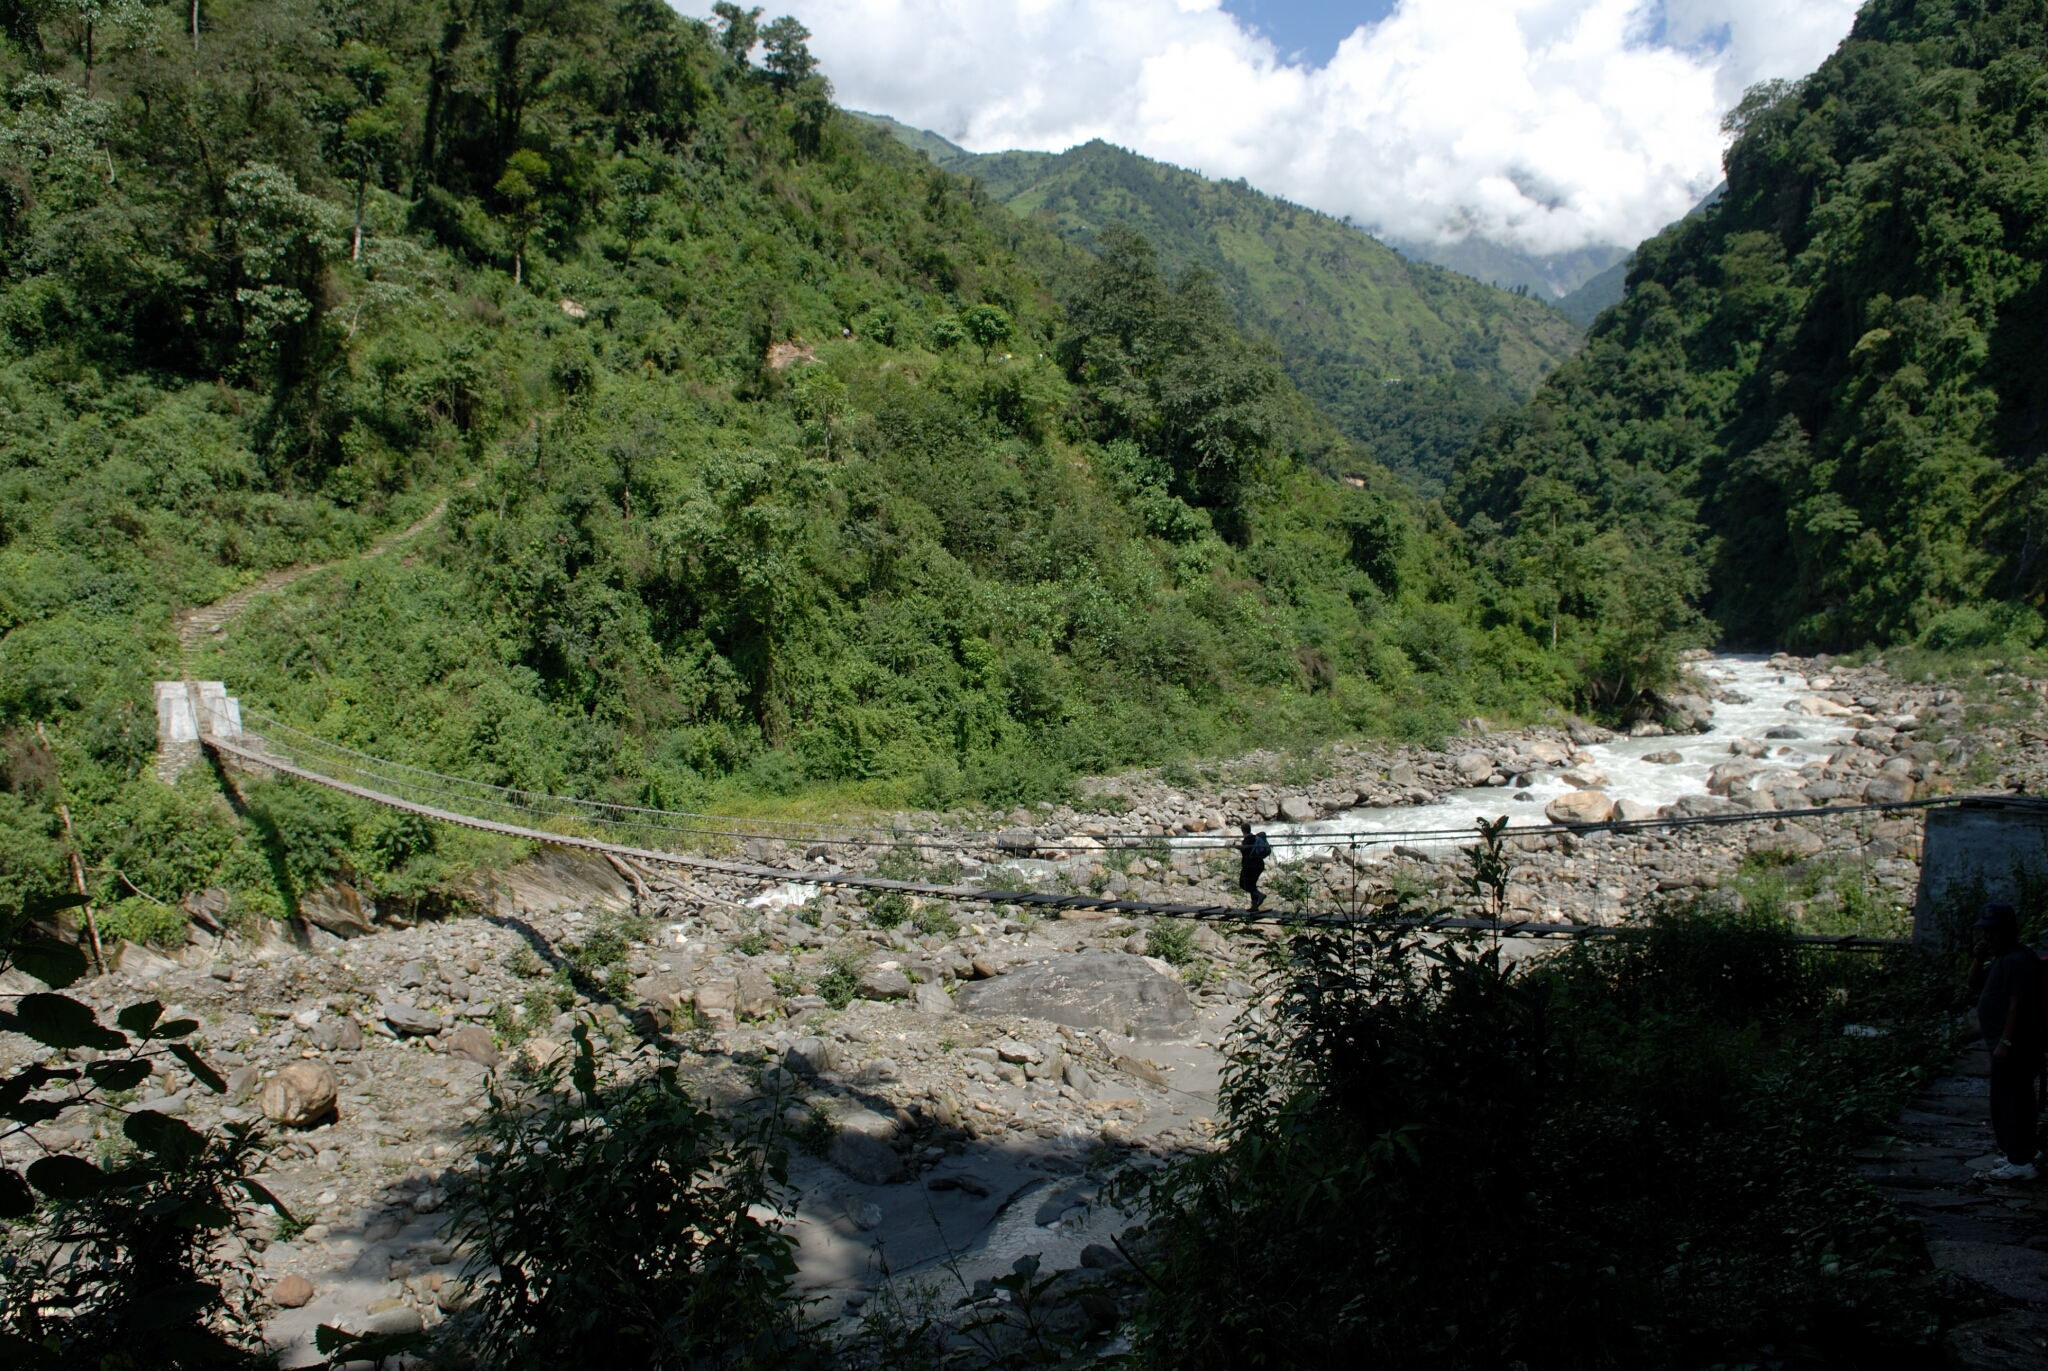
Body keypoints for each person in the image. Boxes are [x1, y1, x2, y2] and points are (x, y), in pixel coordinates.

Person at [1969, 903, 2043, 1182]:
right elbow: (1974, 984)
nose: (1988, 937)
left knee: (2014, 1101)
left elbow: (2017, 1005)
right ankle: (2017, 1154)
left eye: (1993, 932)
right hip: (2002, 1044)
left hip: (2016, 1046)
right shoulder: (2002, 959)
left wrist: (2006, 1042)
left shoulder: (2017, 961)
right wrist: (1978, 959)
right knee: (2005, 1100)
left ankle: (2022, 1161)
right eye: (1985, 932)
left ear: (2008, 931)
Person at [1238, 822, 1271, 913]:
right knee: (1252, 885)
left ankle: (1259, 895)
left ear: (1243, 831)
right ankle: (1254, 906)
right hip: (1259, 865)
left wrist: (1235, 846)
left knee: (1243, 884)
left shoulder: (1248, 839)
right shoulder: (1255, 838)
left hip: (1250, 866)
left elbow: (1243, 848)